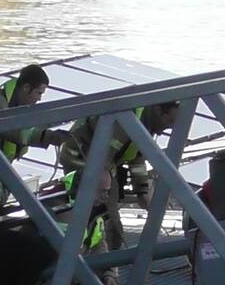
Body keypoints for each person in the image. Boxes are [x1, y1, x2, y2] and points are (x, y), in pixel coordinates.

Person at [0, 64, 71, 227]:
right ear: (26, 88)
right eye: (38, 93)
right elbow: (12, 131)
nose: (39, 99)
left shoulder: (17, 107)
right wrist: (48, 136)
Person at [58, 102, 180, 252]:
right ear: (160, 111)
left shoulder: (143, 122)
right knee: (100, 213)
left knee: (104, 212)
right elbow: (103, 158)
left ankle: (102, 255)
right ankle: (91, 255)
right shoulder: (124, 118)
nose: (167, 129)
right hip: (81, 162)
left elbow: (136, 157)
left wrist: (141, 191)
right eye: (169, 122)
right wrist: (108, 191)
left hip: (99, 165)